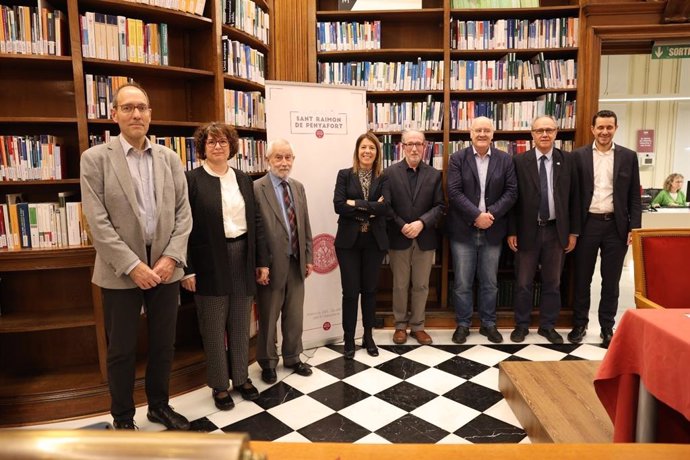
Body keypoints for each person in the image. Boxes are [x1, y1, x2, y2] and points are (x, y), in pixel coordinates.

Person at [80, 82, 192, 430]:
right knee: (122, 351)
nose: (136, 114)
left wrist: (171, 258)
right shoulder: (95, 159)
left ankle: (159, 406)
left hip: (165, 269)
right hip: (120, 272)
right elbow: (97, 221)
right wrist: (132, 266)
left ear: (150, 114)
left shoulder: (169, 158)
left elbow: (183, 213)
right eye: (127, 108)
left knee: (163, 345)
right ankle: (123, 417)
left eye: (142, 107)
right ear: (114, 114)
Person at [181, 122, 270, 411]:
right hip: (208, 261)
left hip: (243, 255)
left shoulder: (243, 178)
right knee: (213, 325)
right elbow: (183, 227)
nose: (217, 146)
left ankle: (242, 378)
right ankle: (220, 385)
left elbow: (255, 221)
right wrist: (188, 269)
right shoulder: (191, 180)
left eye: (223, 142)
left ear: (232, 146)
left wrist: (261, 262)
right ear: (202, 148)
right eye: (211, 142)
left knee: (241, 322)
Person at [568, 110, 642, 348]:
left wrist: (635, 228)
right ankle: (579, 324)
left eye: (609, 127)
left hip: (616, 227)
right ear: (592, 129)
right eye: (600, 127)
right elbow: (570, 195)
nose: (604, 132)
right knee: (582, 279)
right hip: (587, 224)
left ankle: (607, 327)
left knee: (611, 281)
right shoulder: (577, 156)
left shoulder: (628, 157)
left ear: (616, 128)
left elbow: (634, 196)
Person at [507, 116, 581, 344]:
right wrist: (512, 231)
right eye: (540, 130)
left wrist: (573, 232)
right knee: (523, 282)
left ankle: (547, 326)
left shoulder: (567, 160)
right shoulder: (519, 161)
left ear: (556, 132)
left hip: (556, 231)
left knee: (553, 282)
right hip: (527, 230)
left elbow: (574, 199)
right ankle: (521, 325)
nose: (545, 134)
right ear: (532, 134)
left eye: (549, 130)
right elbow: (512, 199)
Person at [447, 116, 517, 344]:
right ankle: (463, 324)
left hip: (493, 230)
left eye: (487, 130)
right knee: (462, 282)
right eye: (478, 130)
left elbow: (511, 192)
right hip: (463, 230)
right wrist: (476, 216)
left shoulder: (505, 160)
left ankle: (488, 323)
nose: (482, 134)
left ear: (493, 134)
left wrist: (490, 216)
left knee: (490, 281)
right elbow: (454, 192)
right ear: (470, 133)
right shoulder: (458, 158)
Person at [254, 139, 314, 384]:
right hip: (270, 265)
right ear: (268, 160)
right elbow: (256, 230)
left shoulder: (297, 187)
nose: (284, 162)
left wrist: (309, 257)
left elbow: (305, 224)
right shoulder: (257, 188)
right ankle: (268, 363)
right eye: (278, 157)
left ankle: (292, 356)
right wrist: (260, 263)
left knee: (294, 314)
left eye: (288, 157)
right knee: (269, 317)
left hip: (296, 261)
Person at [334, 132, 390, 359]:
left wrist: (355, 204)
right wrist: (369, 206)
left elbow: (385, 208)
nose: (367, 151)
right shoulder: (345, 175)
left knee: (369, 291)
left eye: (372, 148)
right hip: (348, 242)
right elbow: (338, 205)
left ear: (377, 153)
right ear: (357, 151)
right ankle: (349, 339)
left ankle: (368, 336)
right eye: (364, 147)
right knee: (350, 292)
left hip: (374, 242)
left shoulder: (384, 177)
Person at [386, 129, 444, 345]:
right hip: (399, 237)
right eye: (409, 143)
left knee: (421, 285)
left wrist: (421, 223)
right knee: (400, 284)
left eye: (418, 144)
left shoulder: (434, 174)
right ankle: (400, 325)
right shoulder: (389, 173)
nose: (414, 148)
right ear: (402, 146)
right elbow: (387, 206)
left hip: (424, 237)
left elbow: (440, 205)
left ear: (424, 146)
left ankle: (418, 326)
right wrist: (403, 226)